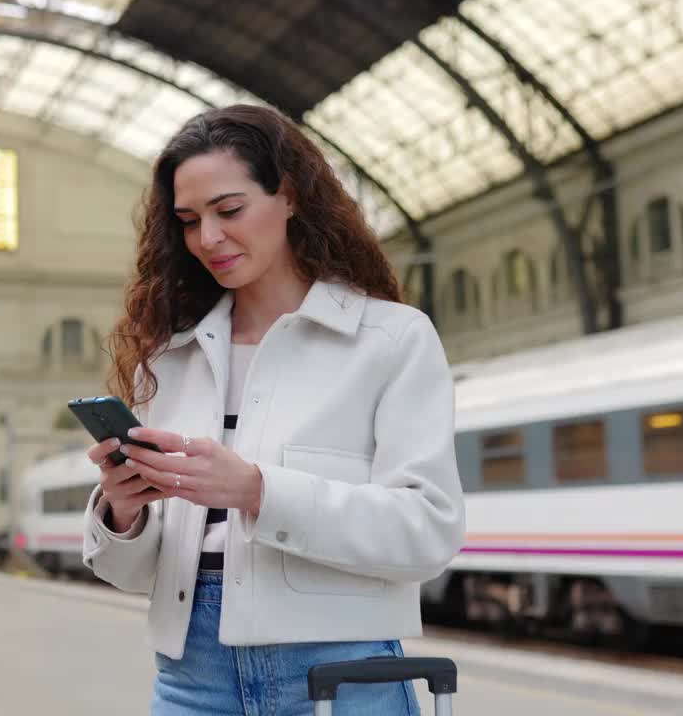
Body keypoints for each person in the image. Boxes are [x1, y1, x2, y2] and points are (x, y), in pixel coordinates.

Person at [81, 104, 466, 715]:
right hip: (190, 679)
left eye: (229, 210)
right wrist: (124, 510)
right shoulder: (170, 357)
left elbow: (428, 531)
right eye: (188, 220)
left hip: (343, 673)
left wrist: (258, 490)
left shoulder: (392, 339)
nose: (208, 239)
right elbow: (131, 573)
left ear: (289, 196)